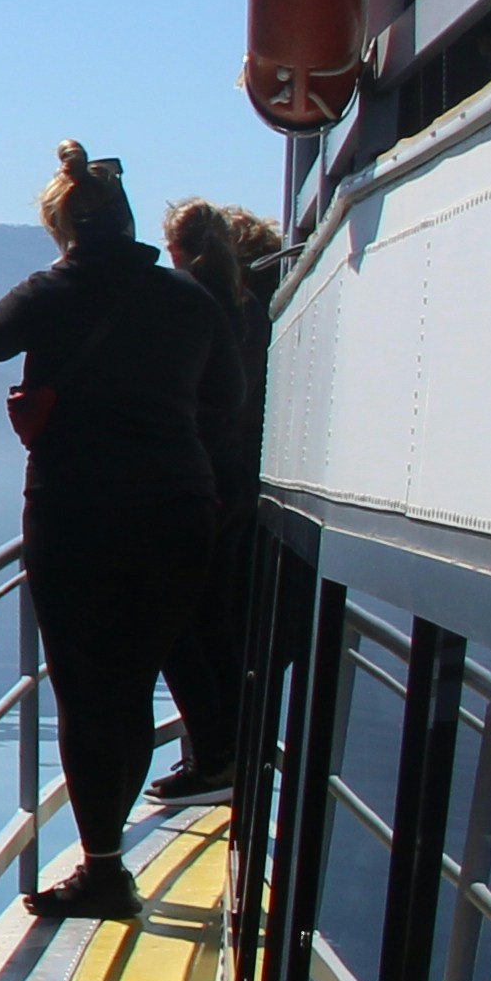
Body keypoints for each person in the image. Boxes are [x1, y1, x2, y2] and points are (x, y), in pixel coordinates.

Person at [0, 146, 235, 920]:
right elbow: (226, 398)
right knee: (134, 676)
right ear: (126, 221)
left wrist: (55, 277)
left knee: (87, 691)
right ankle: (108, 855)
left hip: (77, 510)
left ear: (65, 228)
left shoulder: (55, 291)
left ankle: (104, 868)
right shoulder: (191, 302)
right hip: (181, 509)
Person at [147, 199, 280, 804]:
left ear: (179, 251)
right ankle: (225, 751)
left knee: (176, 623)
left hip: (203, 481)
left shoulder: (191, 308)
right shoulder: (252, 308)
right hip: (242, 482)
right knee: (217, 624)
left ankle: (215, 755)